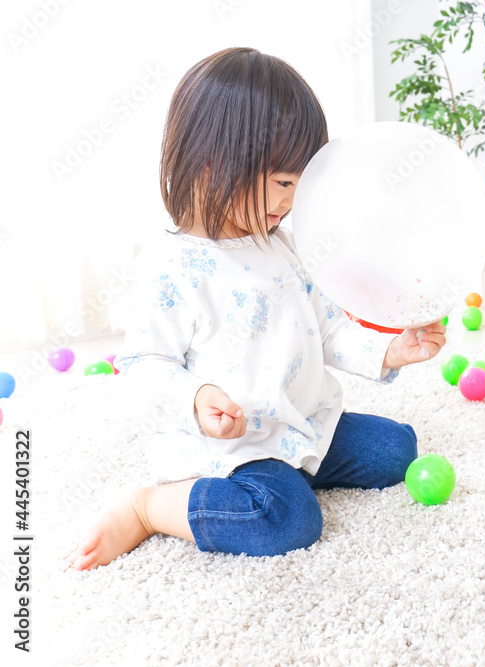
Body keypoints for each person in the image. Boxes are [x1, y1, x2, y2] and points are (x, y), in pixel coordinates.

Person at [64, 47, 446, 571]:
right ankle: (149, 507)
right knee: (287, 521)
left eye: (300, 186)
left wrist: (389, 350)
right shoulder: (170, 266)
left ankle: (295, 466)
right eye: (284, 183)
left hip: (296, 421)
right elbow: (144, 365)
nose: (291, 201)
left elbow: (328, 329)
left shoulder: (280, 243)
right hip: (232, 448)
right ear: (212, 163)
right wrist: (196, 397)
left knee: (397, 450)